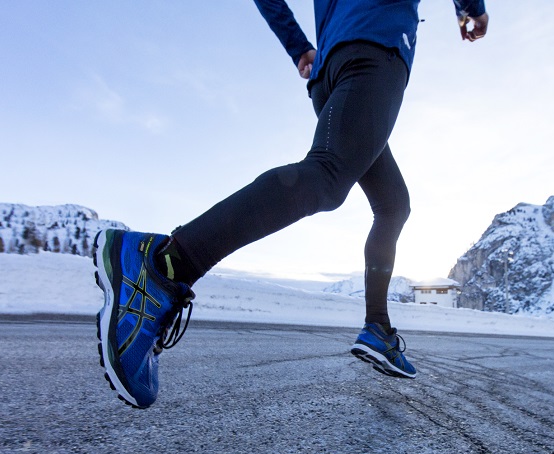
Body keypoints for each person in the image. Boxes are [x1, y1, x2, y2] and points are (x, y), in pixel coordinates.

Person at [93, 0, 489, 408]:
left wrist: (299, 47)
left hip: (330, 72)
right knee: (328, 177)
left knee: (393, 205)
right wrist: (472, 10)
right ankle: (164, 266)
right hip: (376, 51)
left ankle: (378, 329)